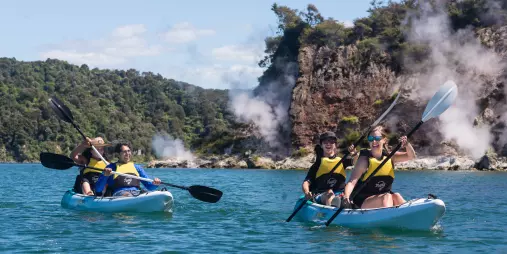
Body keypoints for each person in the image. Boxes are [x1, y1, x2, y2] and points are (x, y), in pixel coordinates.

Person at [342, 125, 416, 209]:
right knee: (386, 197)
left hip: (383, 198)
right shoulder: (364, 160)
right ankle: (389, 217)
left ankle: (408, 213)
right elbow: (351, 182)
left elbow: (411, 156)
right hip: (362, 200)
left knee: (396, 196)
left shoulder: (390, 156)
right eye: (370, 139)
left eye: (377, 138)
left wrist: (407, 144)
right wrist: (346, 197)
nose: (374, 141)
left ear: (384, 140)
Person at [301, 131, 359, 207]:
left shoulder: (341, 161)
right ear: (321, 145)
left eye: (331, 142)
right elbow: (306, 182)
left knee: (348, 194)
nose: (328, 144)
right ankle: (333, 207)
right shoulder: (318, 164)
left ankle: (341, 203)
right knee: (329, 192)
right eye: (325, 142)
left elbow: (355, 161)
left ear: (335, 145)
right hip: (321, 194)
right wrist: (307, 192)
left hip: (339, 193)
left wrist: (354, 154)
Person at [95, 142, 162, 197]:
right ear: (118, 154)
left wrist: (155, 184)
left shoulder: (137, 168)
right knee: (128, 195)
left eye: (128, 151)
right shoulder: (111, 167)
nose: (127, 154)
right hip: (120, 194)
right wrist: (105, 175)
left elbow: (149, 186)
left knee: (147, 193)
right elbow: (98, 189)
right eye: (124, 152)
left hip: (136, 193)